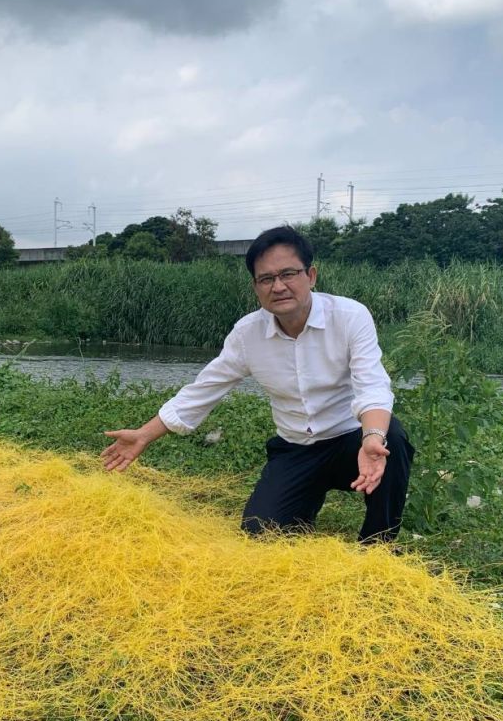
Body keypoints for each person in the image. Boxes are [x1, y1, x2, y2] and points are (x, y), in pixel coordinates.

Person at [101, 226, 413, 541]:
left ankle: (378, 544)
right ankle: (302, 507)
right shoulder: (247, 334)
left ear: (311, 276)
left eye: (288, 274)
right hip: (295, 449)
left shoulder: (349, 316)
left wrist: (372, 437)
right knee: (260, 533)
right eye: (266, 279)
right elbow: (205, 389)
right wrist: (144, 434)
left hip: (350, 441)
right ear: (255, 286)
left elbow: (372, 385)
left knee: (391, 439)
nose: (278, 286)